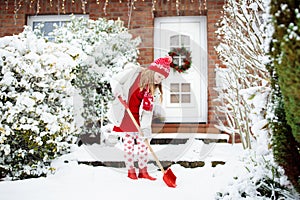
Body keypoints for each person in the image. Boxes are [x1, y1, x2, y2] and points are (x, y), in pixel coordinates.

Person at [107, 56, 172, 180]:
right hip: (125, 114)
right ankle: (130, 170)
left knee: (144, 145)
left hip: (139, 119)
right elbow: (115, 80)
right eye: (159, 76)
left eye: (162, 79)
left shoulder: (151, 89)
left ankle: (143, 171)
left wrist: (146, 128)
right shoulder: (134, 73)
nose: (159, 81)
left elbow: (147, 111)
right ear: (153, 70)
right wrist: (118, 92)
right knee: (129, 144)